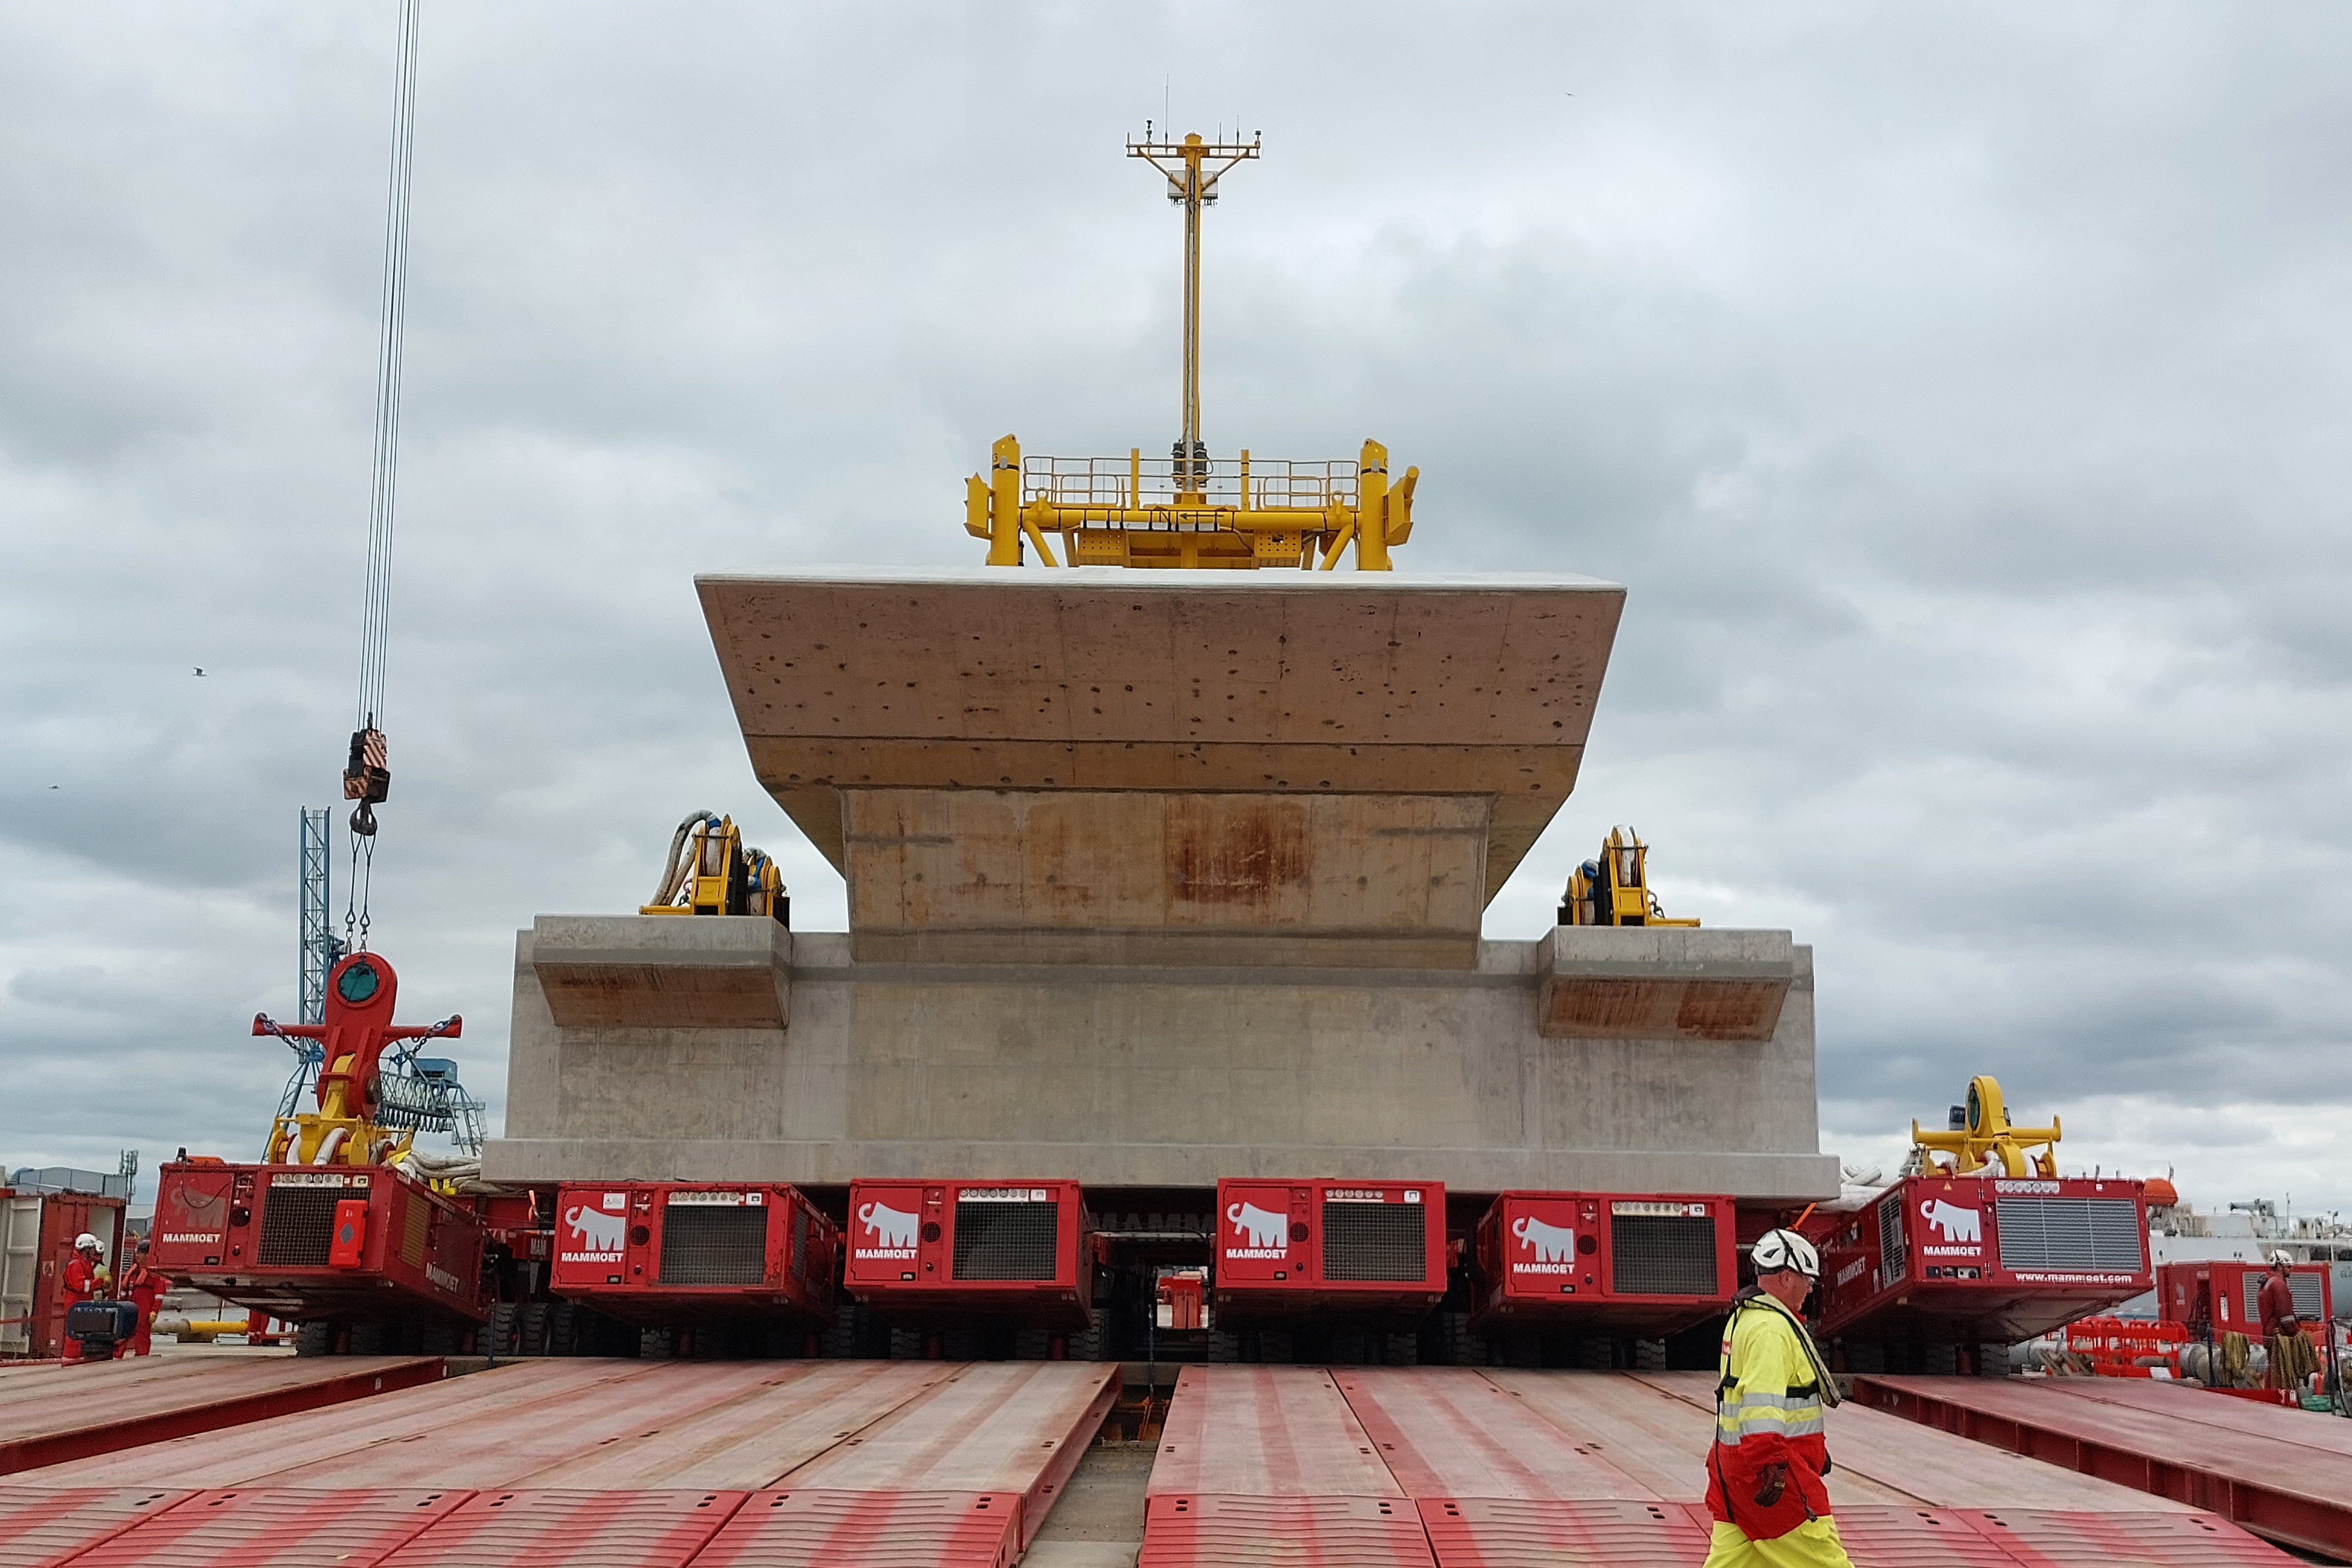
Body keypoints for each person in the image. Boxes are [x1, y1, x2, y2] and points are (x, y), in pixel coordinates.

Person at [1704, 1228, 1854, 1568]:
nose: (1810, 1288)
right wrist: (1772, 1463)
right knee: (1826, 1561)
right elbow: (1761, 1404)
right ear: (1787, 1277)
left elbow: (1752, 1399)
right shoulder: (1771, 1329)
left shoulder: (1744, 1319)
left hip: (1734, 1474)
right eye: (1807, 1279)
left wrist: (1812, 1447)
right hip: (1767, 1478)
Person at [2259, 1252, 2318, 1392]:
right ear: (2279, 1266)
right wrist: (2297, 1333)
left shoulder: (2266, 1283)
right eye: (2288, 1266)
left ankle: (2272, 1395)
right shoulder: (2278, 1285)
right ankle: (2283, 1398)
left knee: (2274, 1372)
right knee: (2283, 1374)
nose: (2291, 1269)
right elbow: (2285, 1315)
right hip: (2280, 1338)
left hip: (2270, 1335)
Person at [60, 1232, 109, 1363]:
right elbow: (81, 1286)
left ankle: (77, 1357)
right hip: (75, 1301)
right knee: (75, 1332)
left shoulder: (85, 1263)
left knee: (82, 1332)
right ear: (86, 1249)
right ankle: (70, 1358)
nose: (94, 1252)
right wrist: (99, 1281)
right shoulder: (76, 1264)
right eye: (93, 1249)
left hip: (82, 1301)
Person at [119, 1238, 164, 1357]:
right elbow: (125, 1288)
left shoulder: (156, 1273)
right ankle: (116, 1356)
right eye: (137, 1253)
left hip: (145, 1308)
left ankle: (142, 1356)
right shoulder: (134, 1271)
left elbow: (159, 1294)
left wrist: (154, 1311)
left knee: (142, 1333)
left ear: (148, 1255)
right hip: (130, 1305)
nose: (137, 1256)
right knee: (123, 1331)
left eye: (140, 1253)